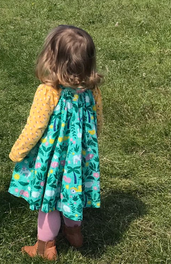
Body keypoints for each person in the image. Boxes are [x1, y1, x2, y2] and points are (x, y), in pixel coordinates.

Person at [8, 25, 103, 261]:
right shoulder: (92, 92)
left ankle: (45, 247)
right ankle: (74, 232)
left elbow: (34, 128)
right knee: (73, 191)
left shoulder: (49, 92)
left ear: (52, 60)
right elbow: (97, 123)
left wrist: (18, 151)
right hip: (79, 156)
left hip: (53, 159)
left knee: (49, 200)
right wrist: (89, 147)